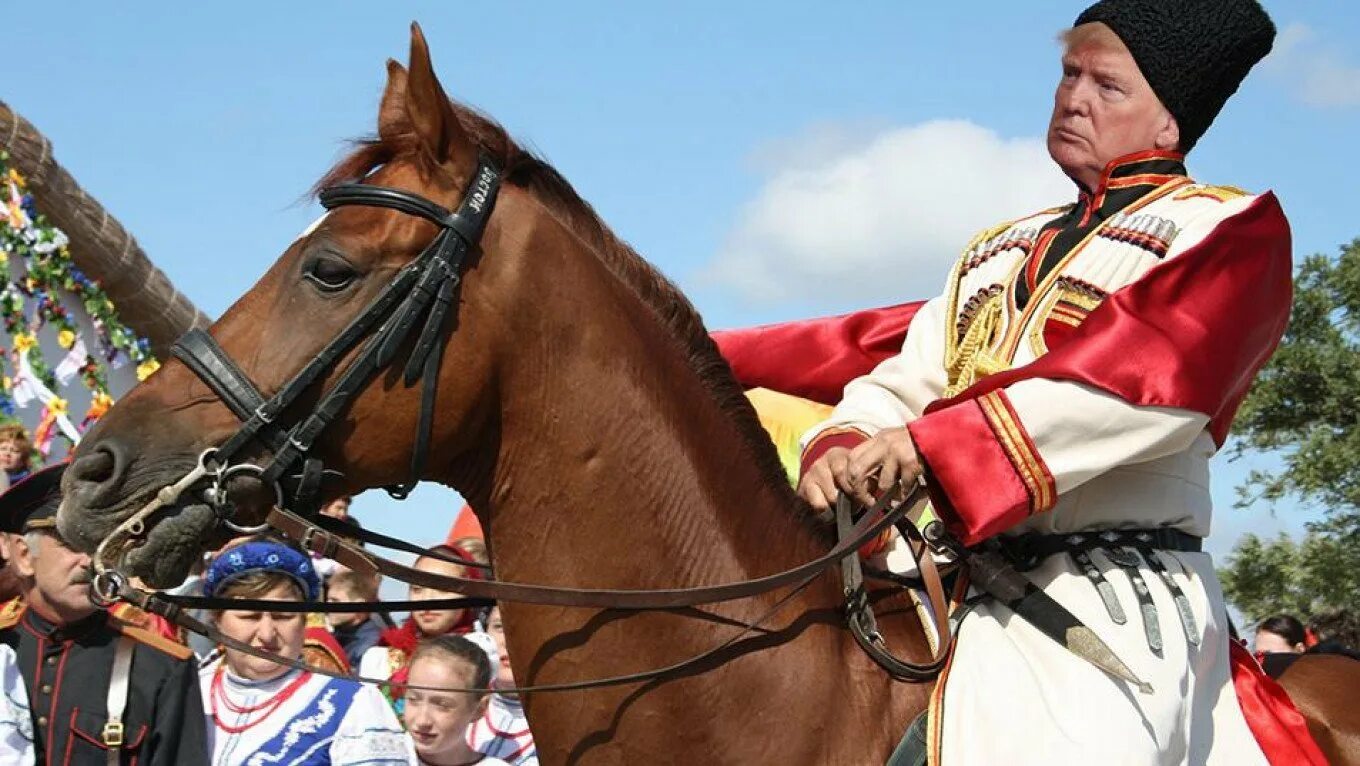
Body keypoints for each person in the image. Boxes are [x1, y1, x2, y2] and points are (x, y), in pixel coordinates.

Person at [790, 2, 1324, 763]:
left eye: (1107, 86)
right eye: (1069, 73)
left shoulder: (1226, 231)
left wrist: (936, 447)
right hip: (946, 586)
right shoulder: (996, 250)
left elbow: (1153, 382)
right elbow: (908, 377)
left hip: (1110, 595)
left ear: (1168, 124)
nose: (1073, 97)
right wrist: (845, 443)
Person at [0, 463, 208, 765]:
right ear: (22, 556)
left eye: (105, 544)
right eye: (71, 542)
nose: (91, 561)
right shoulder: (5, 647)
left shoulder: (160, 667)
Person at [200, 539, 415, 765]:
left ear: (304, 621)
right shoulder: (191, 693)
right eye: (249, 616)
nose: (267, 633)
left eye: (283, 616)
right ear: (217, 620)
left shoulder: (352, 706)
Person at [359, 542, 493, 712]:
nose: (428, 600)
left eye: (442, 589)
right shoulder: (380, 658)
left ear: (470, 594)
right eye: (417, 589)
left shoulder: (484, 657)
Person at [404, 635, 511, 766]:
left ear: (479, 709)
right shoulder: (384, 757)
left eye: (442, 705)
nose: (422, 720)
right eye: (413, 699)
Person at [468, 606, 537, 765]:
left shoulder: (569, 726)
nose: (508, 641)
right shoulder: (455, 714)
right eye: (499, 627)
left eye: (527, 629)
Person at [326, 567, 386, 668]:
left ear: (358, 606)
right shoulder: (338, 636)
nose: (328, 606)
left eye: (335, 601)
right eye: (328, 600)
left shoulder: (371, 647)